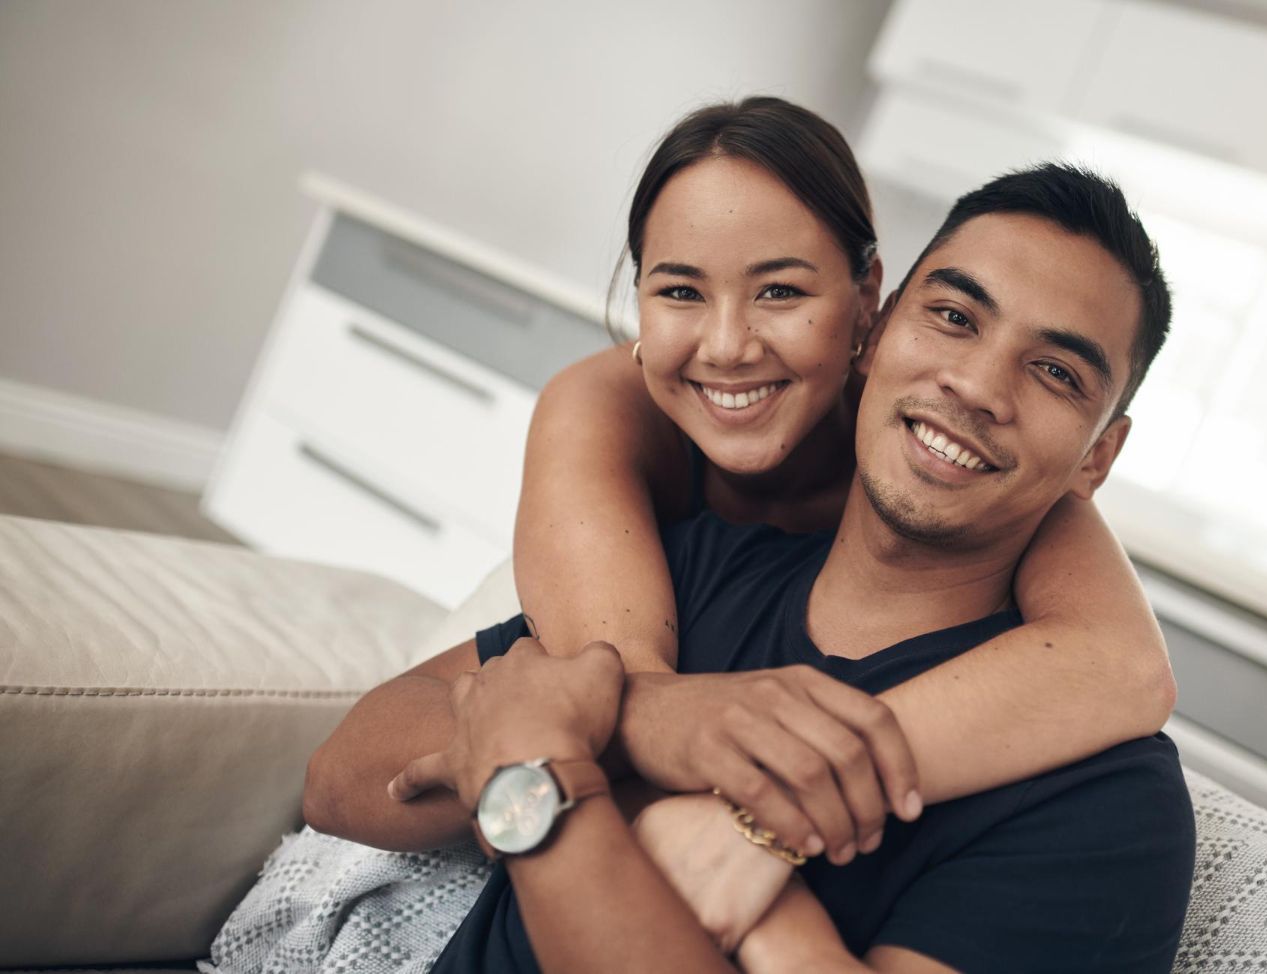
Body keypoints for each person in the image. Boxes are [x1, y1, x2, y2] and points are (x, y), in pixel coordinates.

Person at [301, 98, 1176, 870]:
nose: (726, 346)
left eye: (780, 292)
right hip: (603, 603)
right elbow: (622, 688)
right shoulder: (617, 426)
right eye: (680, 291)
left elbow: (1124, 667)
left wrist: (769, 809)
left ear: (867, 304)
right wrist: (628, 730)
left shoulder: (964, 466)